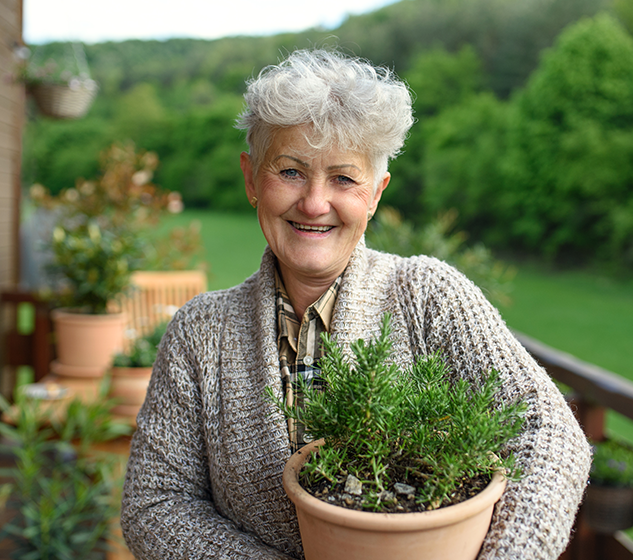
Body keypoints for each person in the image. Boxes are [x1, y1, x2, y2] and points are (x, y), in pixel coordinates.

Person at [121, 49, 591, 560]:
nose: (315, 202)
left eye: (343, 178)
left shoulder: (428, 296)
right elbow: (155, 504)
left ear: (375, 193)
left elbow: (547, 431)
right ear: (252, 178)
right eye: (291, 172)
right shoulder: (199, 331)